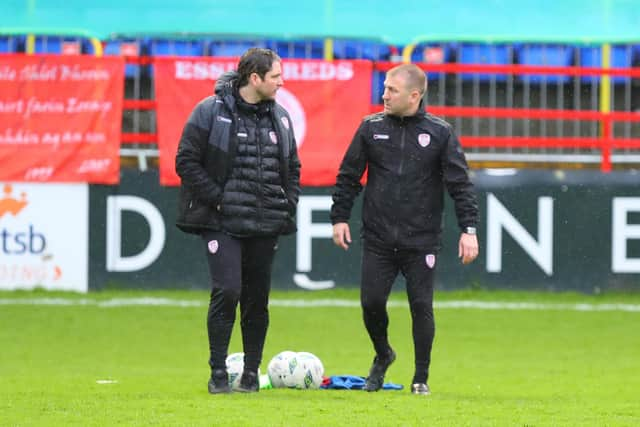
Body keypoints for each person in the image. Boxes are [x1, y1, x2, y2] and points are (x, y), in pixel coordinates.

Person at [330, 63, 479, 396]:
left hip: (421, 240)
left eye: (391, 90)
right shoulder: (370, 128)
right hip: (379, 238)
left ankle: (420, 377)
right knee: (370, 303)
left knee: (421, 306)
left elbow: (460, 185)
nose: (383, 95)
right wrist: (340, 216)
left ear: (414, 95)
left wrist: (468, 229)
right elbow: (348, 176)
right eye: (384, 88)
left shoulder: (440, 133)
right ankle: (383, 353)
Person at [175, 48, 301, 394]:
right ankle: (218, 372)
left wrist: (287, 203)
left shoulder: (282, 117)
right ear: (255, 78)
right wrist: (218, 198)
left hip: (266, 222)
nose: (281, 82)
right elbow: (186, 161)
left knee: (257, 300)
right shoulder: (209, 111)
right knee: (228, 290)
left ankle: (250, 373)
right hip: (222, 222)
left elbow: (293, 167)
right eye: (276, 76)